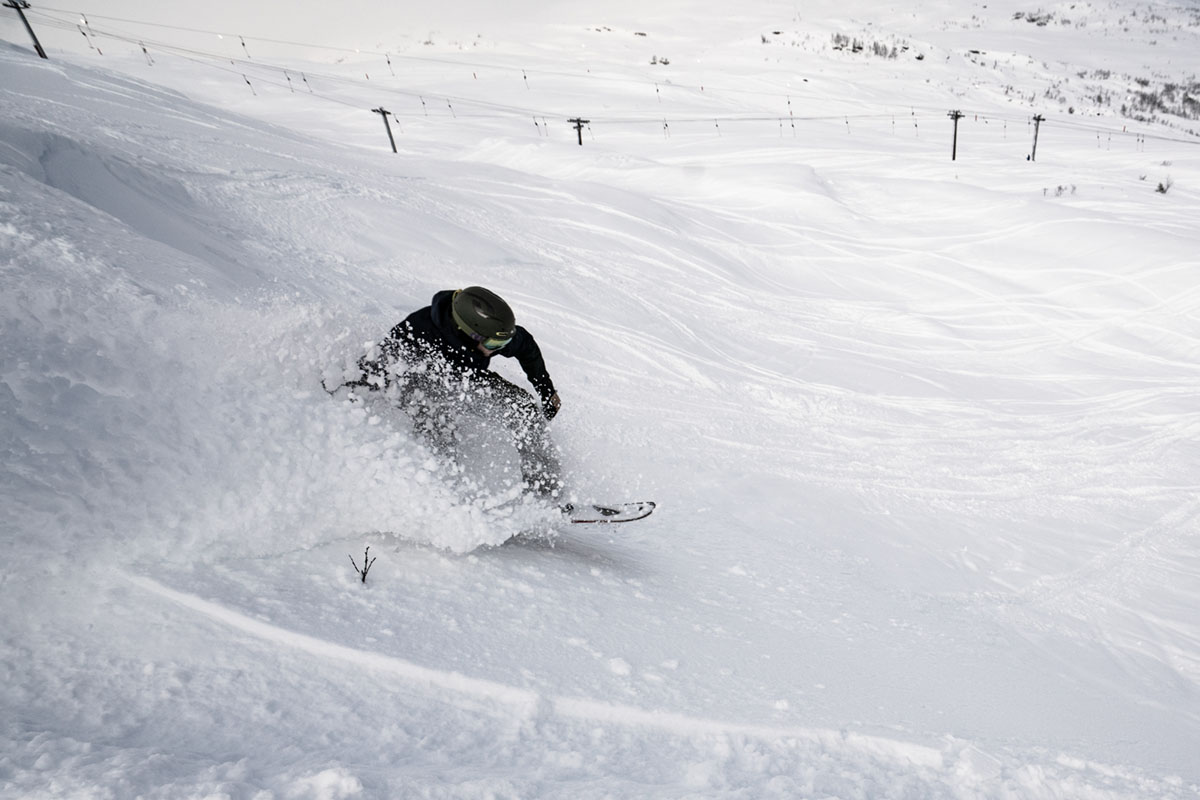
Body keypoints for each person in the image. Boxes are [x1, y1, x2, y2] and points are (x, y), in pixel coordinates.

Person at [356, 286, 563, 497]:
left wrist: (546, 390)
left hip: (466, 377)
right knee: (438, 426)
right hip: (418, 384)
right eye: (495, 343)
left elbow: (526, 346)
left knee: (522, 407)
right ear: (470, 334)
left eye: (504, 342)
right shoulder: (418, 333)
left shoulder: (490, 334)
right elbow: (373, 369)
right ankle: (440, 496)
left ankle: (546, 494)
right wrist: (350, 395)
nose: (500, 348)